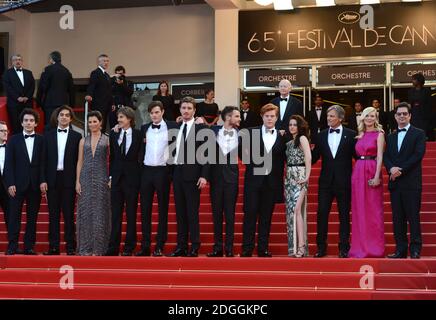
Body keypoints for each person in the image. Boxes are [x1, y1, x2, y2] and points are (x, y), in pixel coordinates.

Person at [241, 104, 286, 258]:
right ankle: (247, 248)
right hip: (253, 182)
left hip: (271, 183)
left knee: (266, 217)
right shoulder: (250, 133)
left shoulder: (282, 136)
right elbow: (242, 152)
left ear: (277, 117)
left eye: (272, 116)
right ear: (262, 117)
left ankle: (263, 248)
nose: (269, 118)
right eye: (267, 116)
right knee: (250, 215)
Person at [312, 105, 357, 258]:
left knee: (344, 215)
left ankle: (344, 247)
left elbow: (359, 156)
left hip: (344, 181)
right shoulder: (321, 135)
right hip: (325, 182)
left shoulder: (352, 135)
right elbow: (313, 157)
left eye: (331, 116)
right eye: (328, 115)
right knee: (322, 214)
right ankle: (321, 247)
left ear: (340, 118)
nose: (328, 118)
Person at [168, 96, 209, 257]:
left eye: (189, 108)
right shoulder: (175, 127)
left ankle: (195, 245)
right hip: (177, 174)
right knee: (180, 213)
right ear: (180, 110)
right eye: (183, 108)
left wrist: (204, 176)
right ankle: (181, 246)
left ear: (194, 110)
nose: (186, 111)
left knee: (192, 213)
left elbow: (207, 154)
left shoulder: (201, 129)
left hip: (193, 176)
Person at [384, 102, 426, 259]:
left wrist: (400, 169)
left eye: (404, 114)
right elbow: (386, 156)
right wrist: (391, 169)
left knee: (413, 216)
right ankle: (400, 249)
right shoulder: (390, 136)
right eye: (399, 114)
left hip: (411, 183)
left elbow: (418, 155)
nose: (402, 116)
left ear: (410, 116)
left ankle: (415, 249)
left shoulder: (419, 133)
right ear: (395, 117)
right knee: (397, 218)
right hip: (395, 183)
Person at [137, 101, 178, 257]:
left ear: (162, 112)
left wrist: (200, 120)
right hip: (146, 172)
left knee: (163, 210)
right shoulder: (144, 129)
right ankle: (145, 246)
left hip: (163, 172)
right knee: (145, 211)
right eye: (151, 113)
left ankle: (159, 245)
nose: (154, 115)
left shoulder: (172, 126)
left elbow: (190, 127)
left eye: (156, 112)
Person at [40, 106, 81, 255]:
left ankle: (71, 246)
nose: (64, 117)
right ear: (57, 118)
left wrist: (78, 180)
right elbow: (42, 160)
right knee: (53, 214)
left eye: (67, 115)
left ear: (71, 118)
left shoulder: (77, 137)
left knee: (69, 214)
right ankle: (54, 247)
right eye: (61, 115)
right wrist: (43, 179)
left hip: (69, 179)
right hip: (52, 179)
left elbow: (79, 161)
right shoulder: (47, 135)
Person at [4, 108, 44, 255]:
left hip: (34, 185)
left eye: (31, 120)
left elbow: (43, 163)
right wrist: (10, 183)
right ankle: (12, 246)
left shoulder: (41, 140)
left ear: (36, 123)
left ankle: (29, 247)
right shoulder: (13, 140)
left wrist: (42, 181)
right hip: (16, 185)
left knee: (32, 218)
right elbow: (8, 164)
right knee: (14, 216)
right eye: (26, 120)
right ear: (21, 122)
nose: (28, 123)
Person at [349, 107, 385, 258]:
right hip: (358, 172)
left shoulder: (380, 134)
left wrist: (377, 176)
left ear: (376, 118)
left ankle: (375, 247)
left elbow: (380, 157)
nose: (370, 118)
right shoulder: (360, 135)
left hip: (371, 169)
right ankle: (359, 246)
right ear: (363, 118)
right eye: (367, 116)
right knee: (359, 210)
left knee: (373, 211)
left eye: (373, 116)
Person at [105, 107, 142, 256]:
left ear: (130, 119)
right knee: (115, 214)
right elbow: (112, 158)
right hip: (117, 179)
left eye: (121, 117)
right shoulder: (114, 135)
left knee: (131, 214)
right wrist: (111, 177)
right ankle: (113, 247)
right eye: (118, 117)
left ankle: (129, 247)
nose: (119, 120)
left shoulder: (139, 134)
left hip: (132, 179)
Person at [207, 106, 241, 258]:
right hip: (215, 178)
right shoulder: (213, 131)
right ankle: (217, 248)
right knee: (216, 215)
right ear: (228, 117)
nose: (239, 119)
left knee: (230, 215)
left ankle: (229, 248)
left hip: (231, 178)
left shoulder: (241, 135)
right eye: (237, 116)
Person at [76, 111, 111, 256]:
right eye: (89, 122)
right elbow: (80, 162)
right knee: (85, 213)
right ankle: (85, 248)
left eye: (94, 121)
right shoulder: (83, 140)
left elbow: (113, 160)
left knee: (101, 212)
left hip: (102, 178)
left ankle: (100, 248)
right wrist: (77, 181)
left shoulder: (108, 139)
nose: (92, 124)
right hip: (85, 178)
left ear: (101, 122)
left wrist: (111, 178)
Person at [284, 115, 311, 258]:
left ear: (300, 126)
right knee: (291, 212)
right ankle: (295, 247)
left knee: (296, 210)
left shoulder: (302, 138)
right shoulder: (289, 142)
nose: (292, 127)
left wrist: (307, 177)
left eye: (295, 124)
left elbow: (308, 157)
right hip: (289, 178)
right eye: (290, 124)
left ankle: (301, 247)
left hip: (300, 177)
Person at [36, 51, 75, 128]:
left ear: (51, 59)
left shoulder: (48, 69)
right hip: (63, 103)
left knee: (50, 125)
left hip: (50, 103)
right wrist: (71, 105)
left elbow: (43, 87)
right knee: (63, 125)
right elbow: (71, 89)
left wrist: (39, 102)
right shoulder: (66, 71)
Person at [2, 54, 35, 134]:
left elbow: (32, 86)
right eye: (15, 60)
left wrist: (27, 97)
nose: (18, 61)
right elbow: (8, 88)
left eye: (19, 59)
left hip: (27, 104)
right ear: (12, 62)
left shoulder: (29, 73)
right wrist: (17, 97)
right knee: (16, 126)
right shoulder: (7, 73)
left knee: (28, 125)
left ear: (22, 61)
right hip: (14, 104)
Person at [85, 54, 114, 132]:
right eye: (104, 61)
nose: (106, 63)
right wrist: (89, 94)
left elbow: (109, 90)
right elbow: (92, 85)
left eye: (107, 61)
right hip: (98, 104)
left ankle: (102, 142)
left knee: (104, 125)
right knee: (98, 125)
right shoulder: (95, 73)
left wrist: (112, 103)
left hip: (107, 104)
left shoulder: (107, 75)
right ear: (99, 62)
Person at [408, 73, 433, 141]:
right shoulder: (411, 91)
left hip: (424, 114)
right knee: (414, 132)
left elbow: (429, 105)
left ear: (419, 80)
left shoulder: (427, 91)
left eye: (414, 80)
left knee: (423, 133)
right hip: (414, 113)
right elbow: (410, 103)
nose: (412, 81)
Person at [0, 122, 9, 233]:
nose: (5, 133)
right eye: (2, 131)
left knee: (10, 217)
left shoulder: (12, 148)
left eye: (6, 131)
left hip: (8, 187)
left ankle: (12, 246)